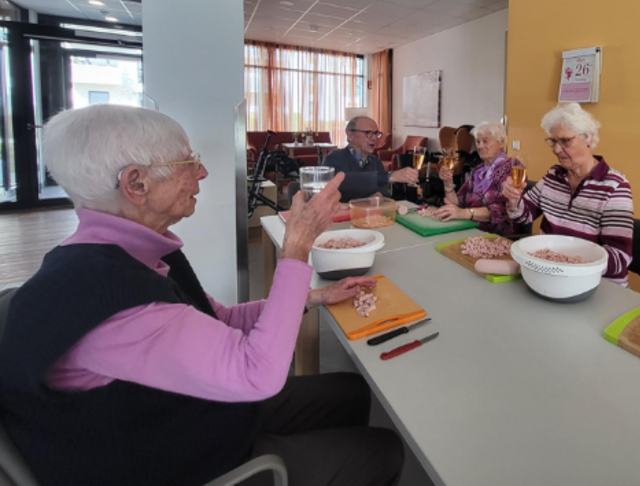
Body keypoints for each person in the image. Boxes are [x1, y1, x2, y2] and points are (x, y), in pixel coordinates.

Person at [0, 105, 404, 486]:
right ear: (136, 183)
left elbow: (221, 319)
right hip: (170, 455)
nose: (204, 171)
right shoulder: (108, 295)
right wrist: (297, 247)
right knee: (383, 449)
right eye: (188, 161)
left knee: (350, 392)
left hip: (187, 409)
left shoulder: (128, 253)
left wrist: (313, 297)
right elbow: (257, 373)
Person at [502, 103, 634, 285]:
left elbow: (619, 258)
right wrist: (513, 200)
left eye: (565, 141)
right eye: (553, 141)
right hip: (550, 277)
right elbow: (523, 216)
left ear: (589, 138)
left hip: (596, 285)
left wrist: (563, 264)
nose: (556, 149)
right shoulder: (553, 175)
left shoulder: (614, 186)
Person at [435, 121, 520, 235]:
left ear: (501, 142)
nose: (479, 146)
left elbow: (502, 211)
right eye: (478, 141)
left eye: (485, 141)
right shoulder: (477, 171)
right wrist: (447, 183)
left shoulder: (513, 167)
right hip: (468, 229)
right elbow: (458, 203)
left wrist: (464, 213)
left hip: (495, 235)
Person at [323, 116, 418, 202]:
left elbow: (385, 193)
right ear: (351, 135)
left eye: (376, 133)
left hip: (371, 214)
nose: (375, 138)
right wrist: (388, 176)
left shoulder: (376, 162)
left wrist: (380, 197)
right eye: (368, 133)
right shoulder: (333, 158)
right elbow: (345, 181)